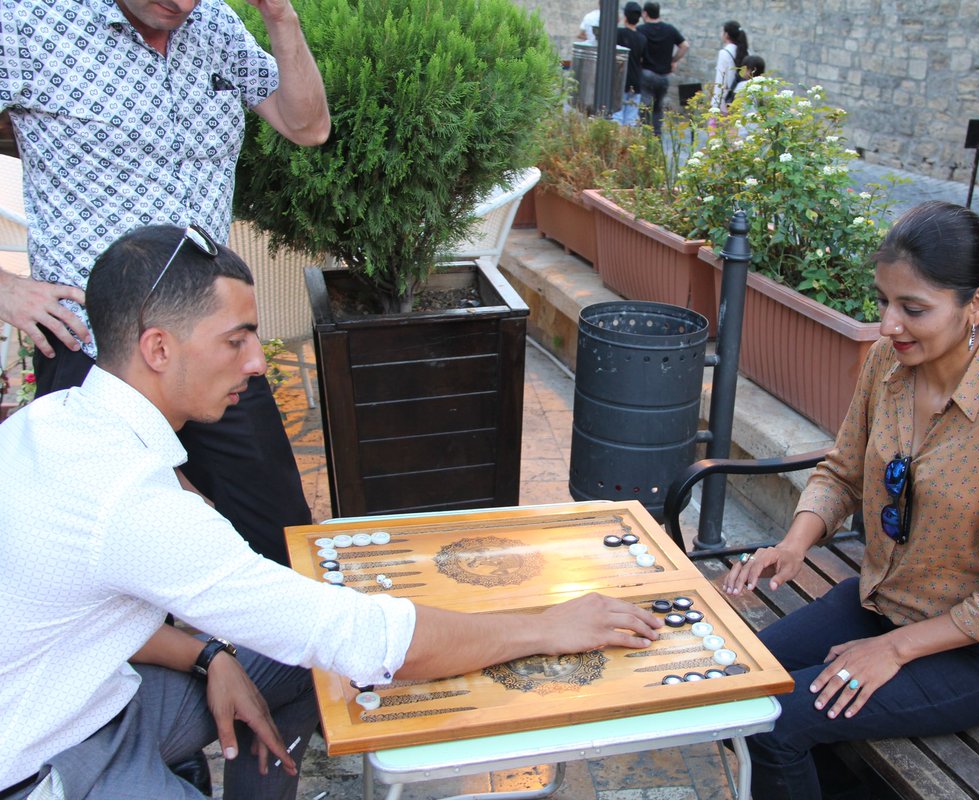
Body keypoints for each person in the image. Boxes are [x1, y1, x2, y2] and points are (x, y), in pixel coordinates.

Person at [0, 224, 662, 800]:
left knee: (291, 658)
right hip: (40, 762)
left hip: (94, 698)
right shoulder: (133, 503)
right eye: (236, 341)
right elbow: (364, 640)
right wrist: (544, 627)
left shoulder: (52, 421)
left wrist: (209, 657)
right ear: (158, 349)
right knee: (321, 644)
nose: (257, 363)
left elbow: (66, 613)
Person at [721, 201, 979, 799]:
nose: (888, 324)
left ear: (976, 305)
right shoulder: (889, 364)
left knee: (773, 724)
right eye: (884, 301)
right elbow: (843, 471)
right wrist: (795, 544)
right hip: (877, 602)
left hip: (970, 652)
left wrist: (892, 649)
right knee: (735, 685)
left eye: (913, 309)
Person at [0, 0, 331, 566]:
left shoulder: (216, 25)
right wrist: (5, 288)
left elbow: (309, 126)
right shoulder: (27, 21)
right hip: (94, 348)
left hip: (210, 341)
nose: (181, 4)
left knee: (281, 539)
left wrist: (281, 17)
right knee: (105, 552)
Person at [637, 2, 689, 136]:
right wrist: (673, 60)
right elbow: (684, 46)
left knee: (645, 109)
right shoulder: (669, 29)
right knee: (658, 108)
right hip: (663, 77)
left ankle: (644, 137)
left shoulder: (641, 30)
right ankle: (657, 136)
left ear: (645, 13)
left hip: (646, 73)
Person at [613, 3, 647, 127]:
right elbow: (643, 60)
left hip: (620, 80)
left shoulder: (618, 33)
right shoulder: (642, 38)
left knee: (616, 115)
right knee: (631, 119)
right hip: (636, 80)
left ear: (625, 17)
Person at [711, 20, 749, 113]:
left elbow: (721, 80)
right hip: (741, 99)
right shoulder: (746, 51)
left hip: (726, 101)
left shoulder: (725, 53)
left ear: (726, 34)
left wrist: (715, 104)